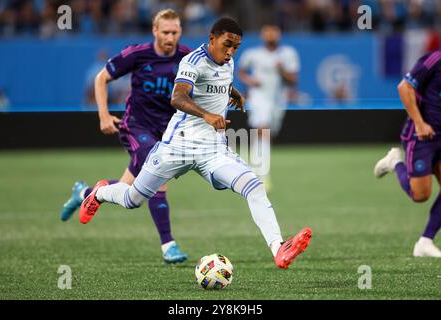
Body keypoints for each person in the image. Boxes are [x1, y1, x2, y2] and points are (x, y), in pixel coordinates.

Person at [79, 17, 312, 270]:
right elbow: (177, 98)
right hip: (176, 147)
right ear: (212, 38)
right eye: (227, 45)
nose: (231, 51)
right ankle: (99, 193)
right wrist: (207, 115)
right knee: (132, 199)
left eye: (236, 46)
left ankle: (279, 249)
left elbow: (220, 80)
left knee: (254, 186)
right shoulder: (193, 61)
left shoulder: (228, 61)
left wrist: (233, 92)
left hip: (212, 151)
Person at [60, 9, 190, 264]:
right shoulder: (137, 54)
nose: (170, 37)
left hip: (166, 133)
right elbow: (101, 78)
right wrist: (104, 115)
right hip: (136, 126)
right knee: (159, 173)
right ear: (155, 31)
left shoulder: (187, 57)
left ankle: (85, 192)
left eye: (174, 32)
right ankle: (169, 246)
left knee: (132, 192)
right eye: (165, 32)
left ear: (180, 31)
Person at [374, 49, 441, 258]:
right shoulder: (435, 59)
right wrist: (420, 124)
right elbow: (404, 87)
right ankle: (395, 163)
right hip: (421, 135)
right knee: (420, 195)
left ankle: (425, 241)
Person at [237, 24, 300, 191]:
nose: (271, 36)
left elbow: (293, 79)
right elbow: (241, 72)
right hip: (259, 97)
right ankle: (263, 175)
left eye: (274, 33)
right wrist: (251, 81)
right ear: (263, 36)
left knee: (268, 134)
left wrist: (281, 70)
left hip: (278, 99)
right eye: (268, 33)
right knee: (262, 128)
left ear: (278, 35)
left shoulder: (288, 54)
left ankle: (255, 167)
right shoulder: (253, 54)